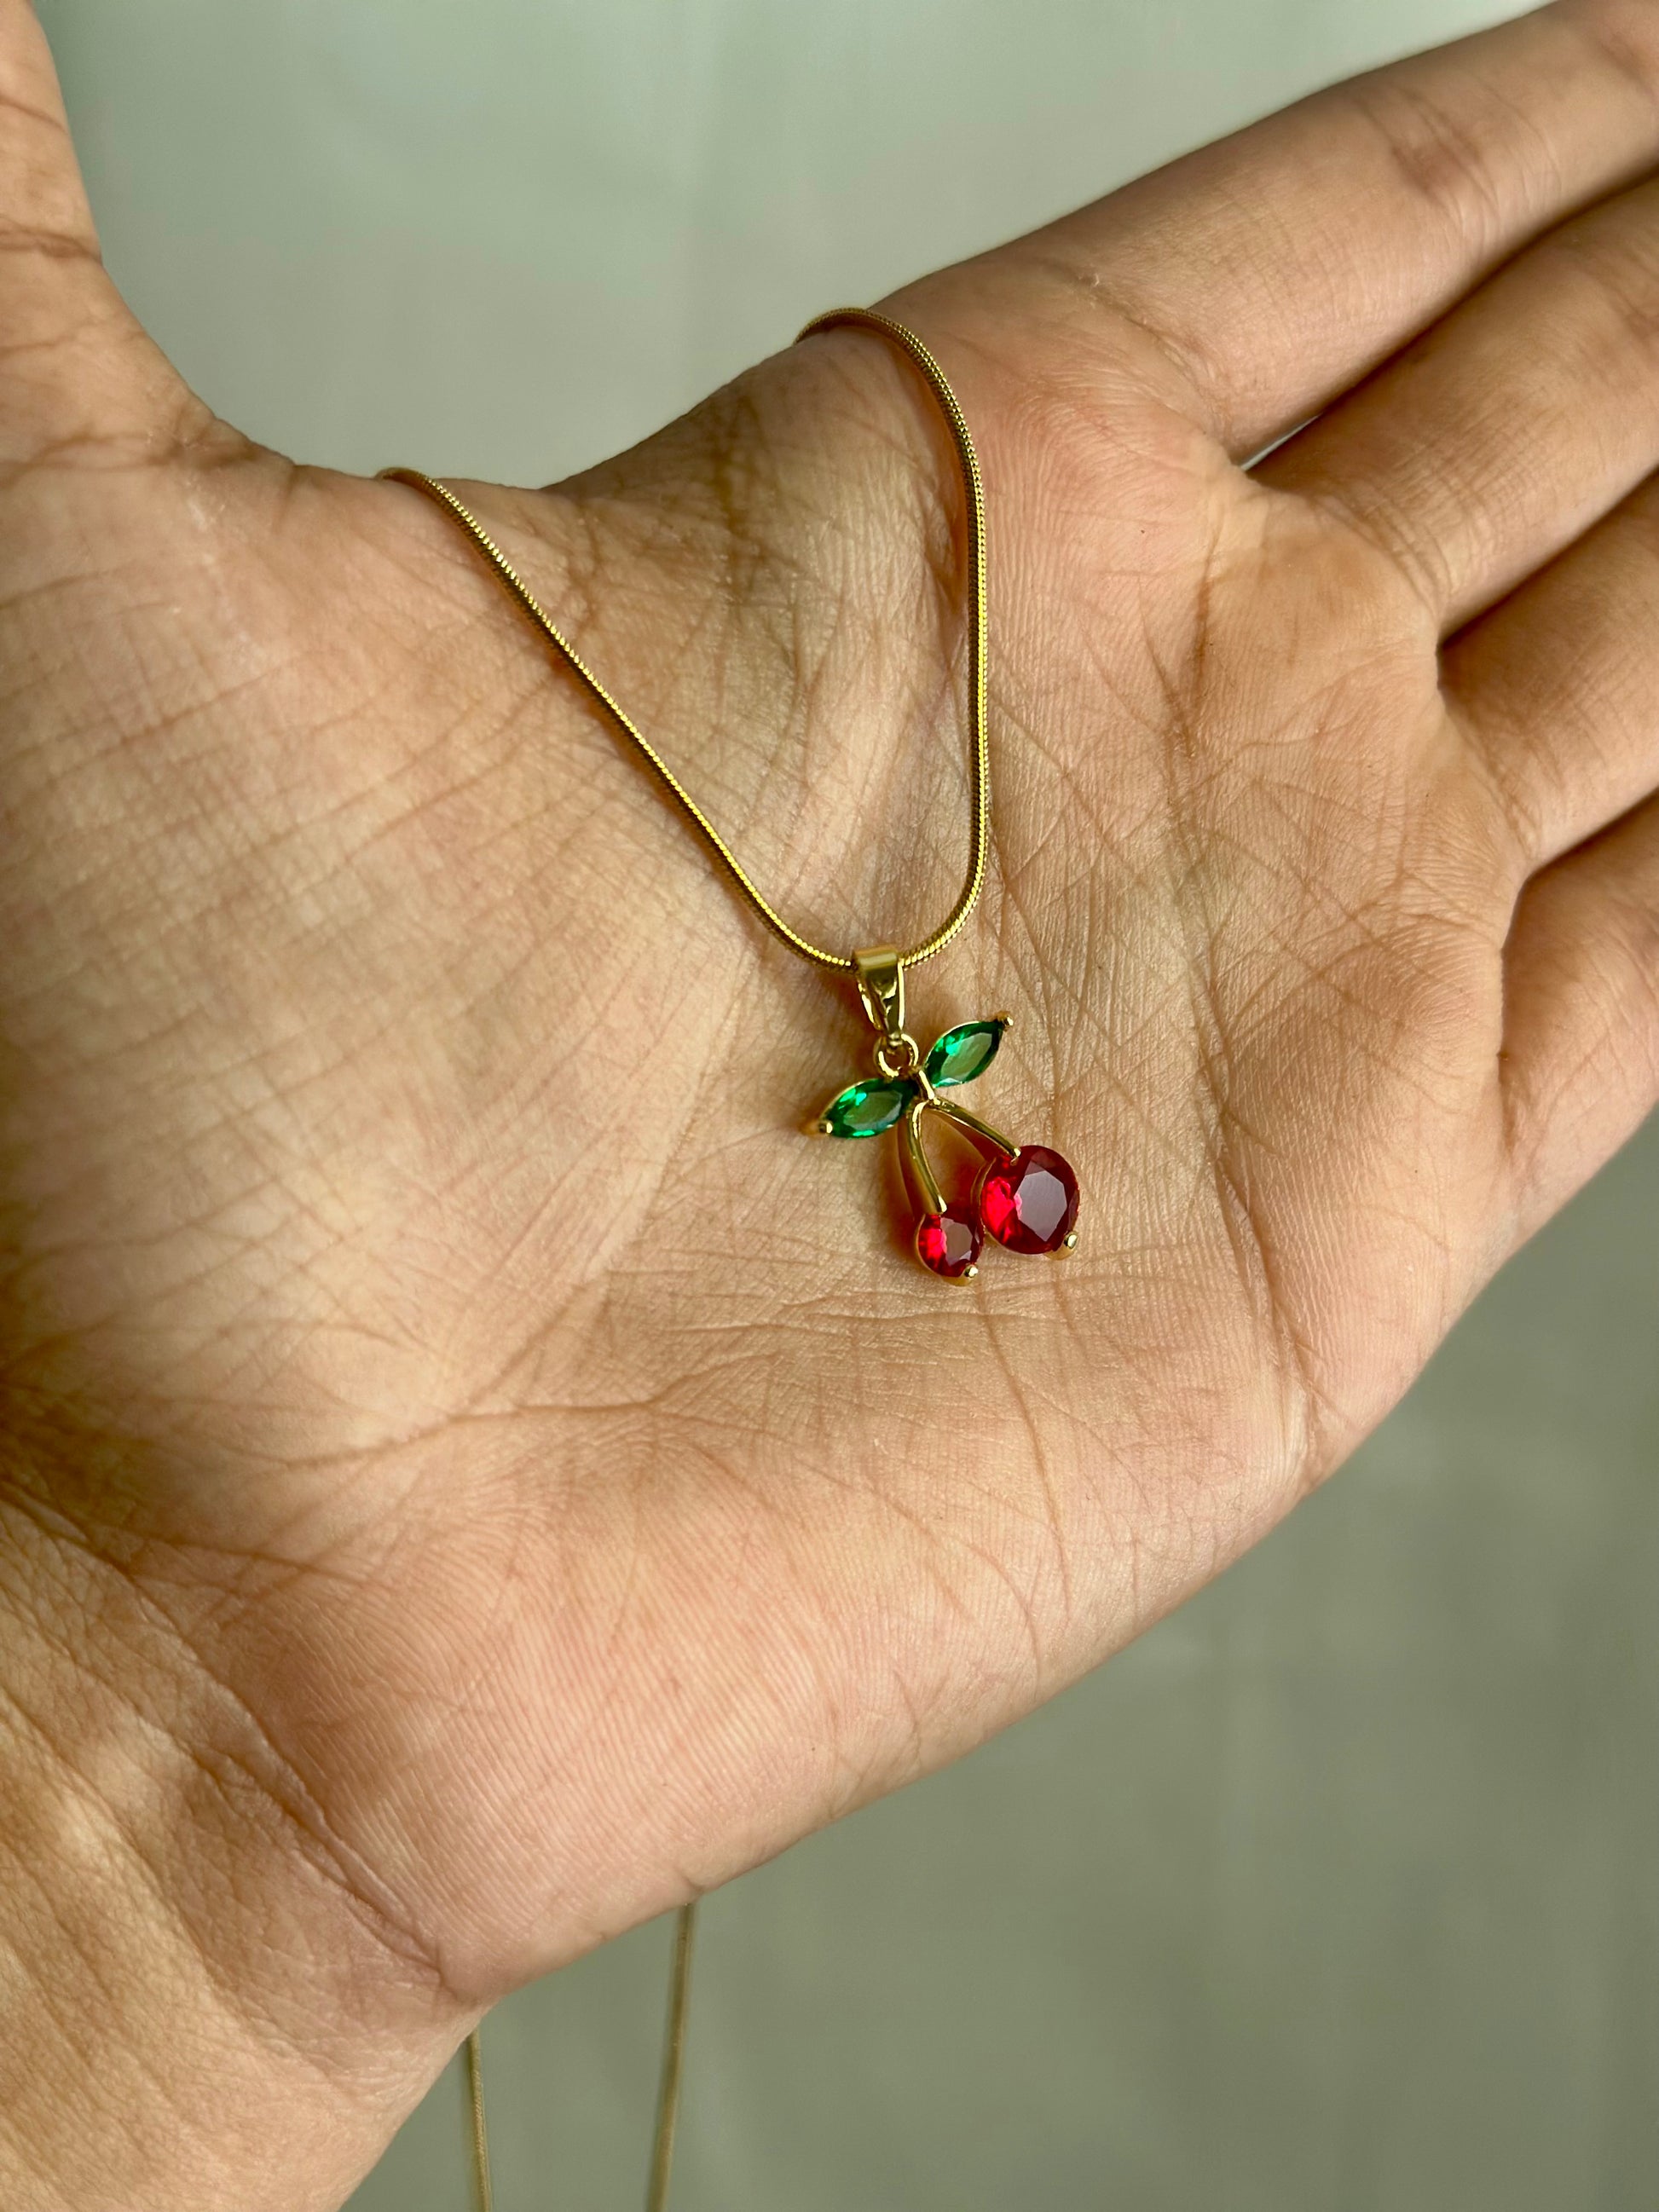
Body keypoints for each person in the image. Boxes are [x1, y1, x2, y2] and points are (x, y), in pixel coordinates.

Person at [2, 0, 1656, 2202]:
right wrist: (130, 1789)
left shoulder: (926, 1060)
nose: (915, 1089)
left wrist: (148, 1880)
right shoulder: (899, 1077)